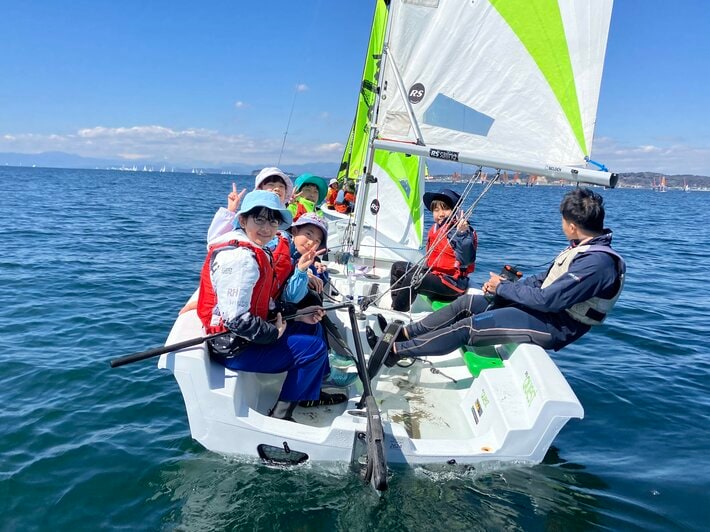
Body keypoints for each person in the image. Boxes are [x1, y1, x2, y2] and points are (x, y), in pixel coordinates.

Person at [374, 187, 626, 367]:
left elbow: (548, 300)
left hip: (556, 325)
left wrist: (502, 289)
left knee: (468, 327)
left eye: (562, 221)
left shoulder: (597, 264)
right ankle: (405, 334)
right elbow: (542, 280)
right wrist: (502, 287)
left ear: (571, 226)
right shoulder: (582, 249)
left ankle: (395, 351)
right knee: (467, 304)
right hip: (542, 311)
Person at [197, 190, 346, 421]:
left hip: (245, 336)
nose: (266, 228)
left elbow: (264, 302)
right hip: (233, 346)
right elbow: (236, 320)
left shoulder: (257, 249)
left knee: (311, 326)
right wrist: (272, 332)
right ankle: (281, 415)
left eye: (273, 221)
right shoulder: (239, 258)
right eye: (259, 219)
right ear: (243, 220)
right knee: (313, 349)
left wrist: (297, 316)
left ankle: (310, 393)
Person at [389, 188, 477, 312]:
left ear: (455, 210)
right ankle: (396, 304)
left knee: (413, 279)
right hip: (436, 274)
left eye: (446, 209)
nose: (440, 214)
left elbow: (466, 259)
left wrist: (462, 234)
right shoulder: (437, 228)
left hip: (452, 284)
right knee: (397, 268)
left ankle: (398, 312)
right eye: (436, 210)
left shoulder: (459, 230)